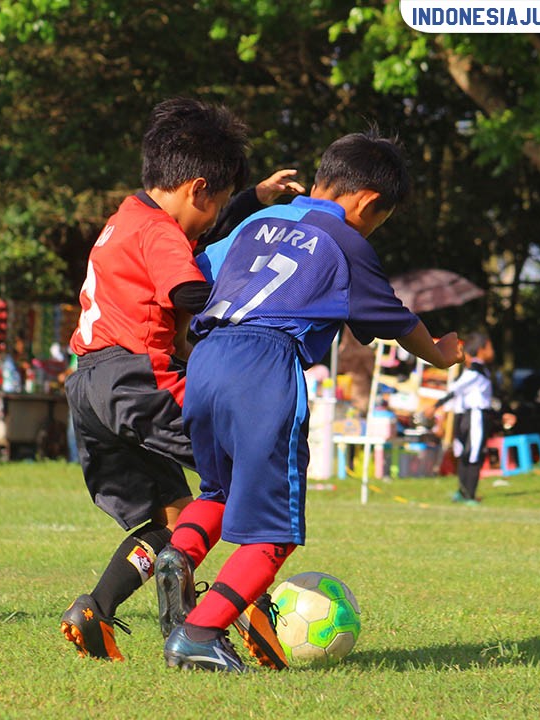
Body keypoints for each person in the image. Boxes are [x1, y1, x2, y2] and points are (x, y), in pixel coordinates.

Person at [153, 130, 464, 672]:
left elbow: (196, 274)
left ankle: (179, 554)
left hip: (206, 358)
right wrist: (438, 354)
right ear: (368, 203)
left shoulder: (253, 223)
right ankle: (199, 634)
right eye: (378, 219)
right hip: (265, 365)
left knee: (219, 491)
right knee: (276, 532)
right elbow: (396, 318)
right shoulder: (347, 241)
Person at [58, 97, 304, 663]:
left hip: (91, 388)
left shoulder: (127, 217)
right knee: (251, 477)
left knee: (175, 516)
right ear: (196, 189)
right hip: (140, 379)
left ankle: (95, 608)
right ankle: (235, 625)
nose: (213, 222)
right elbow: (192, 297)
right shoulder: (163, 233)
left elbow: (183, 249)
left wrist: (252, 199)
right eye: (216, 205)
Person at [438, 332, 515, 506]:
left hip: (469, 416)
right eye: (490, 347)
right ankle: (469, 495)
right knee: (473, 454)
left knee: (467, 454)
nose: (492, 351)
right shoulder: (476, 370)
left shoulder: (479, 370)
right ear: (481, 349)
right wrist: (436, 405)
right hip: (474, 416)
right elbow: (456, 389)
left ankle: (463, 491)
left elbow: (485, 398)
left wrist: (500, 415)